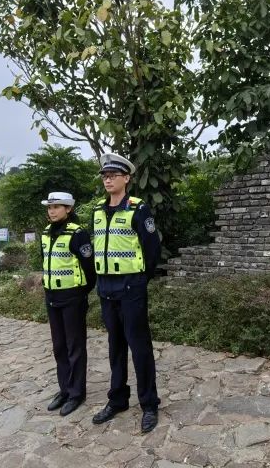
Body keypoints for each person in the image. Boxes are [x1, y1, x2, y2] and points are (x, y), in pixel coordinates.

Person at [89, 153, 161, 433]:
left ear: (126, 178)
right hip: (106, 288)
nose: (108, 180)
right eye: (105, 176)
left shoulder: (137, 209)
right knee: (115, 347)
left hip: (131, 287)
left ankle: (149, 404)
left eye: (113, 176)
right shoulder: (97, 211)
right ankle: (117, 399)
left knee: (139, 347)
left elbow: (152, 249)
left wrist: (141, 280)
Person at [40, 191, 96, 416]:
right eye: (50, 207)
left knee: (75, 347)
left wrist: (81, 292)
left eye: (56, 207)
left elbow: (89, 267)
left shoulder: (78, 234)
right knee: (59, 347)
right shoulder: (46, 233)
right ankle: (64, 389)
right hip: (52, 296)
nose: (52, 211)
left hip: (73, 297)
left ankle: (76, 393)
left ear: (68, 209)